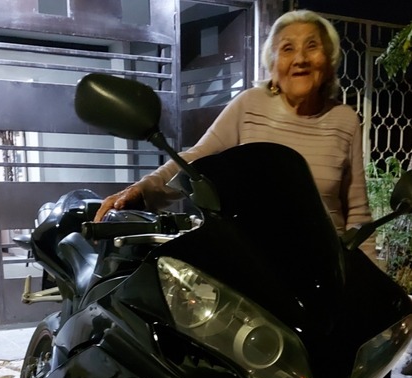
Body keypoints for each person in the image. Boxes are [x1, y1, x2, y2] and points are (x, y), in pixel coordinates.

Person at [94, 9, 376, 261]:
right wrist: (142, 190)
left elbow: (357, 213)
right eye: (287, 48)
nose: (300, 59)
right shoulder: (250, 105)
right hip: (256, 264)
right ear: (272, 64)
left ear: (329, 60)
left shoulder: (344, 119)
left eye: (312, 46)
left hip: (326, 267)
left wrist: (371, 279)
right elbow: (194, 160)